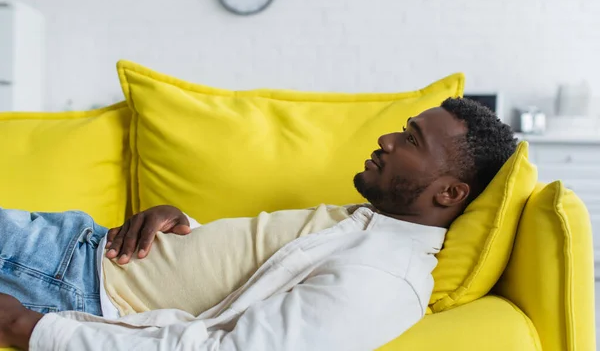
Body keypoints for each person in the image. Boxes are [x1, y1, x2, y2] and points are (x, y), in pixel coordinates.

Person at [0, 97, 517, 351]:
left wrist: (33, 331)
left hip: (72, 283)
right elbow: (256, 271)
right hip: (84, 249)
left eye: (411, 141)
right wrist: (185, 226)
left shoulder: (385, 280)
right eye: (402, 130)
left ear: (449, 193)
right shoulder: (371, 224)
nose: (387, 140)